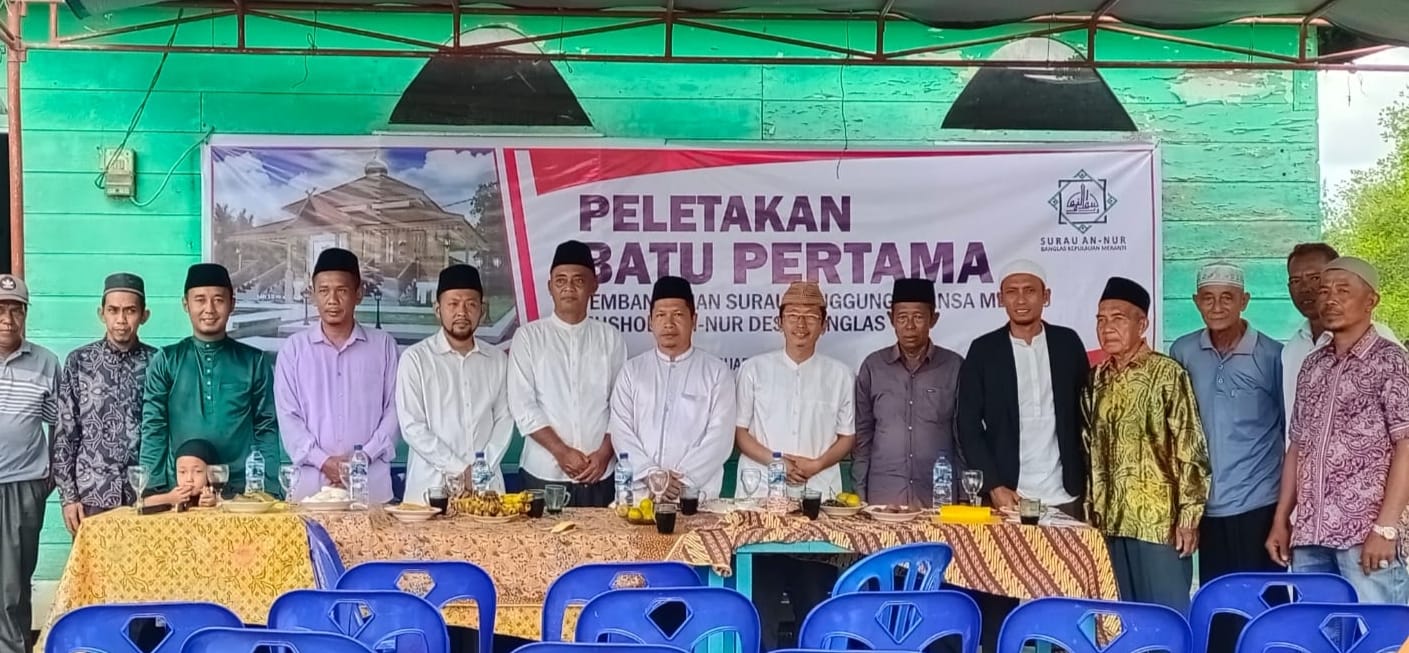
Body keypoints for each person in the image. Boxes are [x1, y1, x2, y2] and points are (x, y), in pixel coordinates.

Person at [1267, 257, 1409, 604]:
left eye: (1343, 291)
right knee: (1318, 629)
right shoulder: (1312, 365)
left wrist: (1386, 528)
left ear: (1371, 301)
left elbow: (1406, 445)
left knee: (1378, 631)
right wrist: (1281, 519)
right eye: (1324, 292)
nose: (1330, 299)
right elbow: (1297, 447)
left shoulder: (1391, 361)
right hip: (1311, 534)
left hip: (1366, 534)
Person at [1169, 262, 1284, 653]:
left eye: (1227, 298)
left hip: (1259, 503)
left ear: (1244, 301)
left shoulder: (1272, 355)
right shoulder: (1183, 351)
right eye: (1208, 298)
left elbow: (1290, 431)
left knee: (1263, 606)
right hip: (1207, 504)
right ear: (1196, 302)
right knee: (1218, 604)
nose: (1217, 307)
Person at [735, 281, 855, 650]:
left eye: (810, 317)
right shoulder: (754, 370)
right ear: (779, 322)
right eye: (793, 316)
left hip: (817, 504)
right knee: (760, 611)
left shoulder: (839, 374)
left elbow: (847, 436)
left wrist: (817, 463)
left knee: (816, 608)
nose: (801, 325)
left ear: (824, 324)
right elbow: (740, 433)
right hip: (762, 505)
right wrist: (777, 463)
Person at [1084, 276, 1209, 614]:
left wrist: (1189, 518)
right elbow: (1088, 449)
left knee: (1165, 620)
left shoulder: (1167, 374)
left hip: (1159, 525)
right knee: (1118, 621)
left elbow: (1191, 448)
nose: (1107, 327)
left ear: (1142, 325)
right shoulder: (1096, 380)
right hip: (1109, 523)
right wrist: (1091, 514)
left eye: (1118, 318)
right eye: (1101, 319)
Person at [956, 260, 1089, 517]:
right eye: (1011, 291)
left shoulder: (1068, 343)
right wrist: (994, 486)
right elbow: (968, 425)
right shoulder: (984, 350)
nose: (1020, 299)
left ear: (1046, 296)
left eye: (1029, 290)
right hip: (1009, 494)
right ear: (1000, 299)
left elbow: (1086, 413)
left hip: (1065, 493)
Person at [140, 263, 281, 497]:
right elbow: (154, 426)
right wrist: (153, 489)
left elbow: (266, 427)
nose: (209, 309)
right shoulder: (166, 360)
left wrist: (270, 488)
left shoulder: (253, 361)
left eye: (218, 300)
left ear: (232, 304)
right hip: (181, 490)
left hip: (241, 491)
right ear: (185, 304)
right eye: (200, 300)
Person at [508, 240, 627, 507]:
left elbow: (621, 406)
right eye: (560, 280)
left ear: (594, 285)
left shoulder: (610, 338)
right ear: (550, 286)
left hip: (600, 473)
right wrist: (560, 451)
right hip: (543, 473)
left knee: (603, 537)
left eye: (578, 280)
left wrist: (604, 455)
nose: (569, 288)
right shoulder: (528, 337)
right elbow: (522, 405)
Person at [275, 248, 399, 503]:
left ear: (358, 293)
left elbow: (395, 411)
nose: (332, 300)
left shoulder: (383, 346)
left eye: (342, 290)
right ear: (313, 294)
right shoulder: (294, 349)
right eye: (324, 290)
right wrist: (323, 461)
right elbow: (288, 418)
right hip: (310, 494)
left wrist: (362, 458)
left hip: (371, 492)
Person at [610, 276, 736, 501]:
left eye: (678, 314)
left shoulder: (716, 372)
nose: (668, 323)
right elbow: (621, 431)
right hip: (639, 498)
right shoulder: (632, 371)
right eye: (660, 315)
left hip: (694, 498)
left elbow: (720, 438)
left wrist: (681, 479)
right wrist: (650, 474)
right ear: (650, 321)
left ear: (694, 320)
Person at [398, 264, 514, 501]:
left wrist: (479, 471)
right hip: (430, 493)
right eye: (453, 304)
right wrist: (459, 470)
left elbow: (505, 420)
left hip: (486, 489)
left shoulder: (497, 360)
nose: (462, 312)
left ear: (482, 310)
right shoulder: (416, 359)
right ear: (437, 309)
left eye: (470, 304)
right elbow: (412, 426)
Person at [52, 273, 156, 534]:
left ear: (144, 315)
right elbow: (65, 433)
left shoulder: (157, 363)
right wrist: (68, 498)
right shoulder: (80, 362)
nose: (121, 320)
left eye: (130, 311)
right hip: (92, 495)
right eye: (113, 310)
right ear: (102, 314)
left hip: (146, 497)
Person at [853, 277, 962, 508]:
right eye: (902, 317)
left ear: (933, 319)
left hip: (938, 496)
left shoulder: (954, 367)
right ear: (891, 318)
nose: (910, 326)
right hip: (884, 498)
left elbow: (963, 437)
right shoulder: (873, 367)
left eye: (918, 317)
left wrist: (963, 496)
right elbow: (863, 437)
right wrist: (860, 493)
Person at [0, 274, 59, 653]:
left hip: (22, 486)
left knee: (12, 586)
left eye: (16, 310)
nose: (7, 319)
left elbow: (60, 427)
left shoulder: (45, 363)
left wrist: (44, 481)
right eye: (0, 310)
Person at [1281, 243, 1399, 429]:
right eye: (1296, 281)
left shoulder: (1382, 345)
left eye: (1315, 278)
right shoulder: (1293, 348)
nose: (1305, 288)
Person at [141, 438, 219, 510]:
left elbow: (225, 503)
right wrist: (169, 498)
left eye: (198, 471)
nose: (189, 479)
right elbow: (141, 503)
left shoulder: (219, 492)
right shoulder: (172, 492)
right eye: (182, 472)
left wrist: (216, 501)